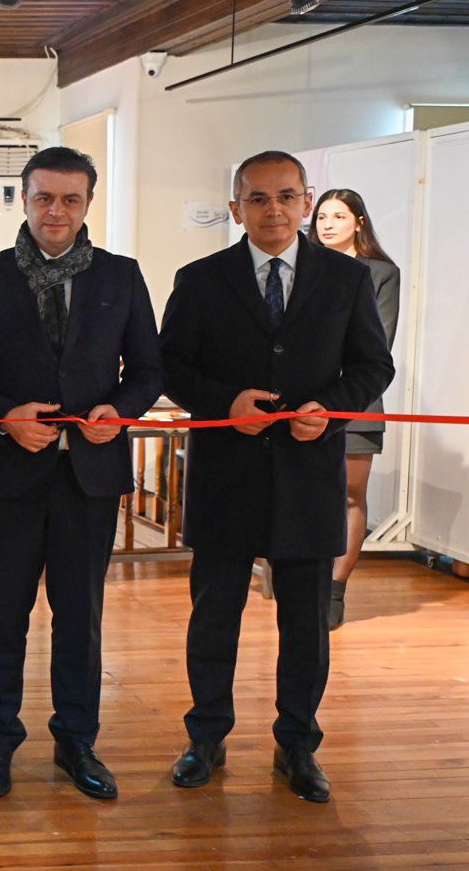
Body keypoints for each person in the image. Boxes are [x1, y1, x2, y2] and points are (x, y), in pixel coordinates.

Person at [160, 150, 393, 803]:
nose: (273, 210)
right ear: (235, 208)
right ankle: (205, 737)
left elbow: (373, 365)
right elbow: (169, 365)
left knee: (305, 624)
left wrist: (331, 406)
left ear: (305, 201)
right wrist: (223, 403)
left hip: (308, 474)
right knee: (214, 617)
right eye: (257, 198)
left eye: (286, 196)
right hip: (225, 474)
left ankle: (297, 745)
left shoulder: (346, 279)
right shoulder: (200, 279)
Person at [0, 146, 164, 801]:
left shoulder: (121, 276)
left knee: (80, 620)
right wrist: (3, 417)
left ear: (88, 203)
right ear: (23, 199)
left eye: (70, 199)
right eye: (43, 197)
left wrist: (120, 411)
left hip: (88, 478)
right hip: (8, 476)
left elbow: (148, 371)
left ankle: (77, 742)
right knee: (2, 618)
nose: (56, 211)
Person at [311, 188, 401, 630]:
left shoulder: (380, 272)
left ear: (359, 222)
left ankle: (334, 590)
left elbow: (377, 343)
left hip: (357, 399)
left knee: (349, 495)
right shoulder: (303, 266)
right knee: (305, 494)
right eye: (322, 216)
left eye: (339, 216)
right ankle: (304, 582)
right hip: (299, 402)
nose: (328, 224)